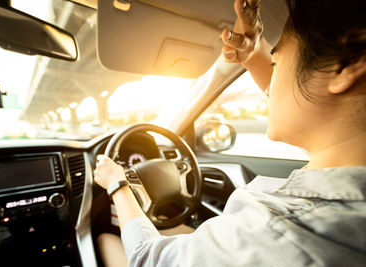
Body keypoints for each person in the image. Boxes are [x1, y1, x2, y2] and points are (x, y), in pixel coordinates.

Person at [94, 0, 366, 266]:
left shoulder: (279, 232)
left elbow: (146, 257)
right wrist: (254, 55)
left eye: (276, 63)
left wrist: (118, 183)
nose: (269, 88)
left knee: (105, 239)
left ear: (342, 68)